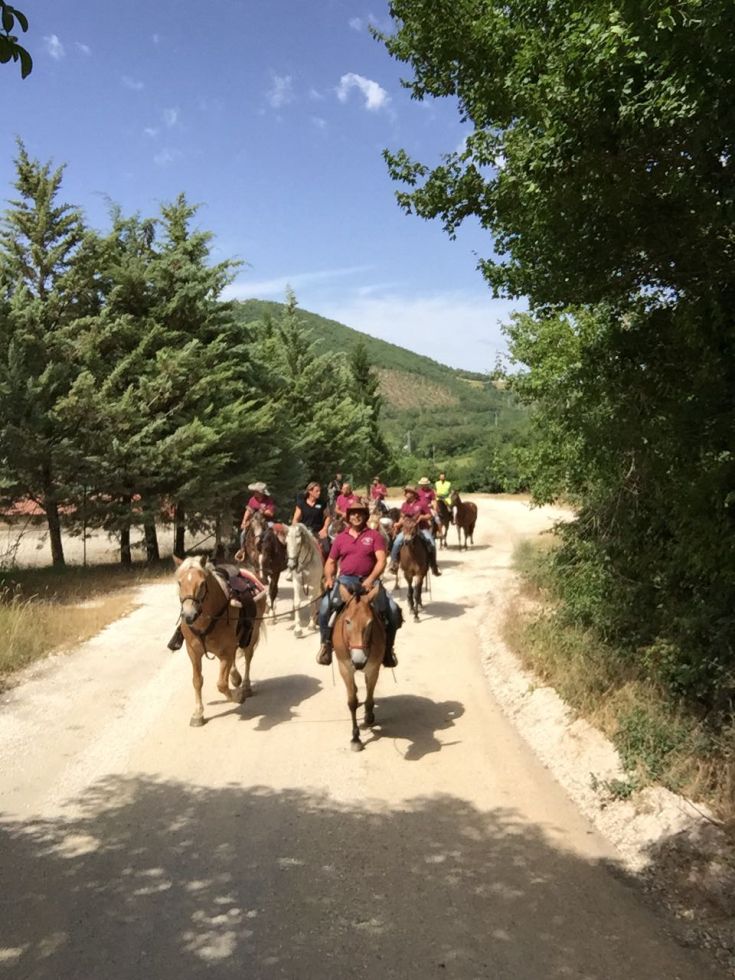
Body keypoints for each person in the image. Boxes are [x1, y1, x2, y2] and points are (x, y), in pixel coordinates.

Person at [317, 497, 402, 668]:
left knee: (392, 611)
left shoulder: (374, 536)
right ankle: (326, 645)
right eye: (353, 514)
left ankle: (388, 650)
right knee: (325, 607)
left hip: (369, 581)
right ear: (348, 517)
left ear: (365, 516)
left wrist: (371, 579)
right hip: (345, 580)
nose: (356, 516)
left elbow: (381, 561)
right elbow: (331, 562)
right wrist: (329, 578)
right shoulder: (341, 538)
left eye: (360, 514)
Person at [388, 485, 441, 577]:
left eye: (408, 492)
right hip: (407, 529)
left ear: (413, 494)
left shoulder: (422, 503)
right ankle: (394, 563)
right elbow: (402, 517)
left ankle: (433, 565)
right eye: (406, 492)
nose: (406, 494)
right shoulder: (404, 505)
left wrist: (422, 517)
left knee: (432, 543)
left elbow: (429, 515)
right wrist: (398, 524)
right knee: (396, 542)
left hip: (421, 528)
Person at [291, 481, 330, 558]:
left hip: (318, 532)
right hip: (305, 531)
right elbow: (295, 519)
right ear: (310, 491)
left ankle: (326, 568)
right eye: (317, 491)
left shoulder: (322, 503)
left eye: (320, 491)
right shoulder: (301, 504)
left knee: (326, 549)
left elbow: (328, 517)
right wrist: (295, 529)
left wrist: (325, 528)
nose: (319, 493)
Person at [238, 481, 276, 552]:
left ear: (261, 493)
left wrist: (264, 511)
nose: (254, 493)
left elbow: (271, 513)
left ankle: (275, 551)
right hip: (254, 521)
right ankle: (243, 550)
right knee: (243, 534)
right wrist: (244, 521)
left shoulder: (268, 500)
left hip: (266, 521)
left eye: (256, 491)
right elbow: (248, 511)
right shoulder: (252, 500)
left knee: (274, 533)